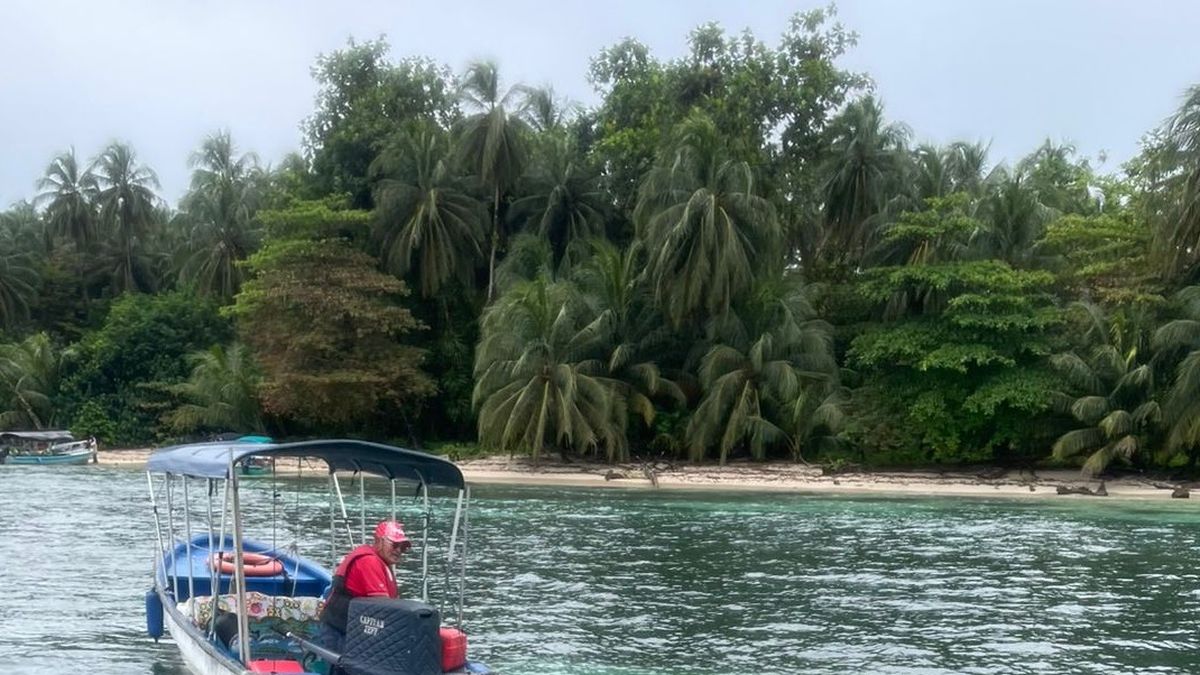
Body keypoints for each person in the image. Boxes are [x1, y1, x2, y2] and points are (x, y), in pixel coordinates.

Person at [318, 520, 412, 659]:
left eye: (403, 547)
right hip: (340, 632)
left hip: (352, 630)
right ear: (379, 541)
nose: (398, 550)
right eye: (394, 545)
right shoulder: (369, 561)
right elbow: (384, 606)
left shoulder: (381, 562)